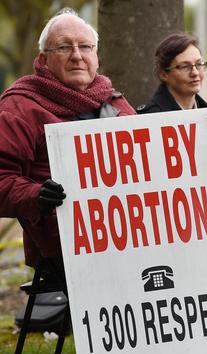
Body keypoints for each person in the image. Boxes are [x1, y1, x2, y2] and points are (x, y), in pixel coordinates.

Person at [0, 8, 135, 276]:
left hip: (134, 242)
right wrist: (37, 195)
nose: (77, 56)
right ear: (43, 58)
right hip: (65, 256)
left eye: (85, 46)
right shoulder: (19, 107)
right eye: (64, 47)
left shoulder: (115, 102)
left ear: (96, 56)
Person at [136, 32, 207, 113]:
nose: (195, 73)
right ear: (163, 74)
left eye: (199, 64)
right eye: (184, 66)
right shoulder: (149, 118)